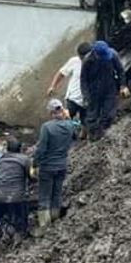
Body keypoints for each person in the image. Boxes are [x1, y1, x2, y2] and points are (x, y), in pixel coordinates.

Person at [33, 99, 77, 232]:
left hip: (47, 167)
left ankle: (45, 227)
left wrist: (35, 164)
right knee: (57, 194)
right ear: (62, 110)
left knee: (44, 196)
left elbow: (41, 149)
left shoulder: (46, 127)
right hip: (62, 166)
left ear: (51, 112)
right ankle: (55, 221)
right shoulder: (70, 125)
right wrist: (69, 119)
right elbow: (76, 136)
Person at [0, 138, 33, 242]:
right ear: (20, 149)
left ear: (7, 149)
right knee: (20, 222)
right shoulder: (25, 160)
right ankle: (18, 239)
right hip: (17, 197)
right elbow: (31, 176)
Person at [81, 41, 126, 141]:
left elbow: (120, 70)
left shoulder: (113, 55)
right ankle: (92, 136)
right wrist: (86, 96)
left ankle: (103, 132)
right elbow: (83, 80)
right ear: (96, 54)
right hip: (94, 90)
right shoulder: (88, 60)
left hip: (110, 87)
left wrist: (123, 85)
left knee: (109, 113)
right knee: (92, 115)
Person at [48, 42, 92, 133]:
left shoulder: (95, 63)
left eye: (83, 57)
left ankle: (82, 137)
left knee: (86, 123)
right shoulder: (74, 61)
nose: (81, 59)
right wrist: (53, 86)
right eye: (80, 57)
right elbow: (61, 73)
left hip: (87, 99)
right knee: (65, 121)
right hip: (73, 98)